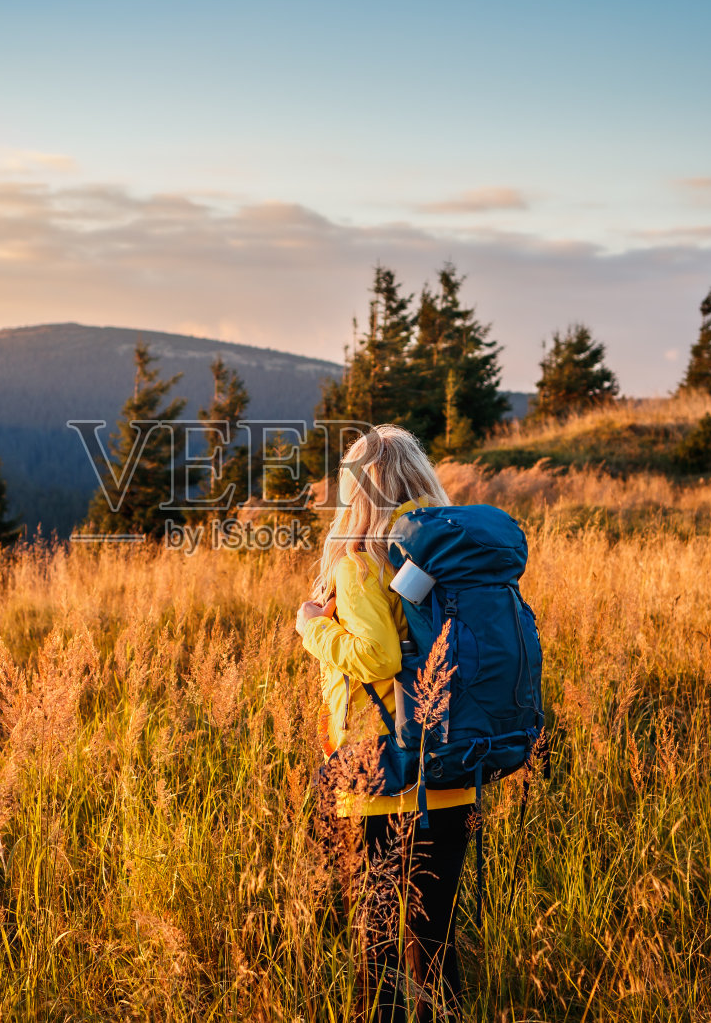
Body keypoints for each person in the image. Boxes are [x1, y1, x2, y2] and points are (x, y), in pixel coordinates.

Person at [295, 424, 473, 1023]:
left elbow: (377, 657)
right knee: (436, 939)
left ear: (359, 493)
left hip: (385, 775)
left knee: (380, 943)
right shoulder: (453, 560)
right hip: (454, 765)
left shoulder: (362, 563)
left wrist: (312, 627)